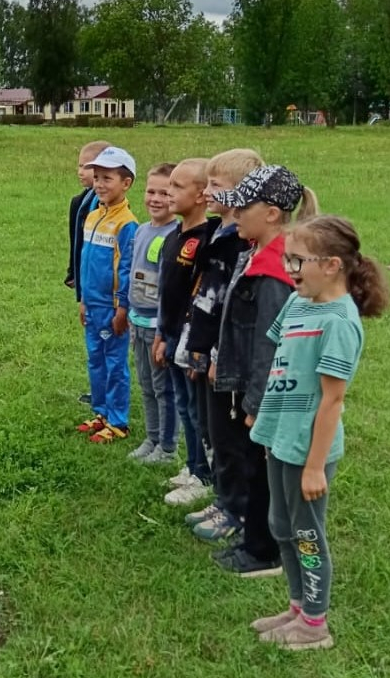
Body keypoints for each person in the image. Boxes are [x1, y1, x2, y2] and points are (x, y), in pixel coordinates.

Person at [251, 215, 390, 650]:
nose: (289, 269)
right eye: (287, 259)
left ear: (331, 265)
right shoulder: (299, 303)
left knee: (307, 534)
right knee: (281, 526)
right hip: (281, 435)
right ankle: (297, 607)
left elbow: (332, 400)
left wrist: (315, 467)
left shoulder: (340, 322)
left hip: (309, 447)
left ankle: (315, 624)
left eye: (297, 260)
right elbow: (282, 357)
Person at [205, 165, 319, 577]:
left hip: (265, 394)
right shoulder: (257, 253)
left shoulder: (275, 270)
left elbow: (269, 345)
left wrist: (257, 403)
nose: (234, 216)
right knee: (254, 466)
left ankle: (263, 551)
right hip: (248, 386)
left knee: (259, 470)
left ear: (271, 213)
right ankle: (254, 538)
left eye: (242, 208)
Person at [180, 149, 263, 535]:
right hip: (206, 350)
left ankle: (237, 510)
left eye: (216, 185)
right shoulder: (218, 231)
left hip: (224, 357)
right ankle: (223, 499)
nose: (206, 191)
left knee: (231, 440)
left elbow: (231, 308)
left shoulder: (241, 243)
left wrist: (215, 354)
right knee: (214, 433)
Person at [152, 158, 213, 504]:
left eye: (177, 186)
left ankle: (202, 474)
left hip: (190, 340)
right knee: (181, 403)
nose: (169, 192)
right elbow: (167, 291)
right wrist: (161, 334)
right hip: (170, 333)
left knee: (194, 409)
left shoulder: (205, 241)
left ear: (202, 195)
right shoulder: (174, 234)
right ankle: (191, 465)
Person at [75, 146, 138, 442]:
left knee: (115, 363)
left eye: (107, 178)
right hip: (93, 305)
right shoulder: (91, 216)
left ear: (126, 183)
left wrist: (122, 308)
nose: (99, 183)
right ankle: (101, 412)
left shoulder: (127, 224)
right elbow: (86, 263)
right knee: (95, 361)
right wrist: (83, 301)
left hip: (113, 309)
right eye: (96, 177)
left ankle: (118, 420)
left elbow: (126, 269)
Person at [126, 163, 179, 463]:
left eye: (165, 192)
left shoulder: (175, 235)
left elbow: (171, 289)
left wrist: (163, 329)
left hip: (159, 326)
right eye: (151, 191)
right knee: (146, 385)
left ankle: (167, 449)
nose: (156, 199)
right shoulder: (143, 230)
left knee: (164, 389)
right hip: (137, 322)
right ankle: (152, 438)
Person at [67, 141, 112, 405]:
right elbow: (77, 243)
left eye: (86, 166)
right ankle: (98, 392)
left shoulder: (104, 206)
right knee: (94, 342)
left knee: (106, 343)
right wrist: (72, 271)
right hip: (87, 284)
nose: (80, 171)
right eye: (80, 166)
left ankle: (107, 396)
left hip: (101, 289)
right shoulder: (81, 201)